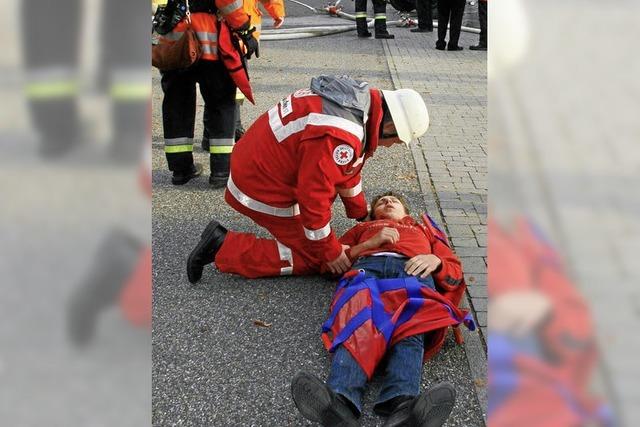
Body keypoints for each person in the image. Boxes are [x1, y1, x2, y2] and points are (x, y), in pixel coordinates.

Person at [186, 75, 430, 281]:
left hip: (259, 167)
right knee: (316, 257)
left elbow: (347, 170)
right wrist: (330, 251)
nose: (389, 147)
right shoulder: (342, 133)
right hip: (261, 187)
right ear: (388, 126)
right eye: (395, 141)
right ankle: (221, 247)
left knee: (320, 242)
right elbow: (313, 197)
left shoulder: (358, 102)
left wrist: (360, 213)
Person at [290, 192, 474, 426]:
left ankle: (403, 408)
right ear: (372, 213)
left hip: (413, 273)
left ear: (406, 212)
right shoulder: (363, 229)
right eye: (381, 201)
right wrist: (369, 243)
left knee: (411, 327)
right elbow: (329, 264)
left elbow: (454, 271)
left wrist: (436, 262)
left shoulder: (424, 230)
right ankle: (339, 404)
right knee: (357, 326)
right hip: (367, 271)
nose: (387, 202)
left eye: (394, 200)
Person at [156, 0, 258, 186]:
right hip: (210, 44)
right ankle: (220, 172)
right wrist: (245, 29)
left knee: (177, 106)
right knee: (221, 105)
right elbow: (228, 3)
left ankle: (181, 169)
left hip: (174, 42)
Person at [201, 0, 286, 185]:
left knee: (215, 90)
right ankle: (222, 166)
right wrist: (276, 12)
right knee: (225, 93)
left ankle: (213, 135)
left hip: (215, 29)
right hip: (235, 30)